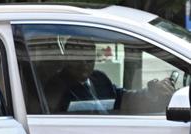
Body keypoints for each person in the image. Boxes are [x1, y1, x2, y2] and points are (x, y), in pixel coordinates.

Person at [43, 37, 175, 114]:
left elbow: (123, 98)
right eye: (79, 58)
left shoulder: (98, 77)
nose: (84, 64)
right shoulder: (56, 87)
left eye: (89, 58)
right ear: (67, 58)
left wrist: (151, 92)